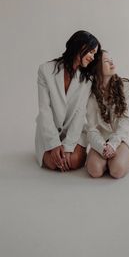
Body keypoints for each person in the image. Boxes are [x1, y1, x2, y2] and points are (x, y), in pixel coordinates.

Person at [35, 30, 101, 171]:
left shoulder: (87, 79)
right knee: (53, 164)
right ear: (79, 46)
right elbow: (44, 110)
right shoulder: (45, 70)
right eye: (91, 52)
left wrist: (68, 146)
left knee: (72, 161)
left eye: (95, 54)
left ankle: (71, 150)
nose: (92, 57)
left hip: (74, 131)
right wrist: (53, 144)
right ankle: (53, 147)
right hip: (49, 130)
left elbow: (79, 113)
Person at [86, 50, 129, 179]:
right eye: (106, 61)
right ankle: (106, 158)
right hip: (101, 139)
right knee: (94, 170)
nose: (111, 62)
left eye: (111, 59)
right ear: (97, 69)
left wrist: (112, 145)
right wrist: (101, 146)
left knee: (117, 170)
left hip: (122, 138)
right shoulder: (90, 94)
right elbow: (91, 128)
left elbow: (125, 124)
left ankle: (120, 157)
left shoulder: (125, 87)